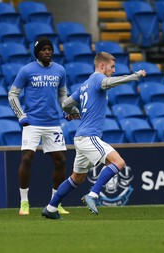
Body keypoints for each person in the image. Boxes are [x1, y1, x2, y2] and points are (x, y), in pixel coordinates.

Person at [41, 52, 146, 219]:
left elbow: (66, 104)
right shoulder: (97, 79)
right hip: (89, 137)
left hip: (81, 138)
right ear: (102, 66)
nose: (113, 70)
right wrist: (134, 76)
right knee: (118, 162)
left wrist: (73, 112)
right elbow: (109, 82)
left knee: (77, 178)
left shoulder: (85, 84)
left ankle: (51, 208)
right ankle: (93, 194)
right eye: (112, 66)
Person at [8, 37, 75, 215]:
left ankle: (56, 203)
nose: (47, 52)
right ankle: (24, 203)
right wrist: (21, 116)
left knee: (60, 160)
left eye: (50, 49)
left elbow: (62, 96)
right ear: (37, 52)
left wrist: (66, 110)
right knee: (27, 158)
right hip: (32, 124)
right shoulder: (26, 70)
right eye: (44, 49)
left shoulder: (60, 70)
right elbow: (12, 95)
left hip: (53, 123)